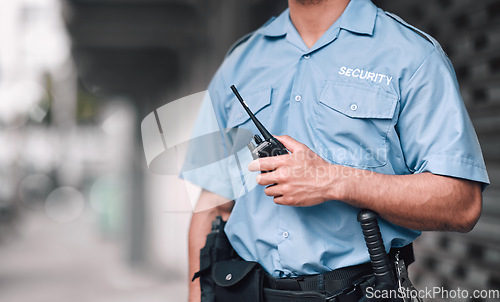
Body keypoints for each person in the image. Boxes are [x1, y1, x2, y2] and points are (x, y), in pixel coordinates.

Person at [183, 0, 490, 301]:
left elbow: (462, 204)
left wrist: (333, 180)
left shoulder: (412, 55)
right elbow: (212, 206)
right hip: (245, 290)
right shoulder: (240, 61)